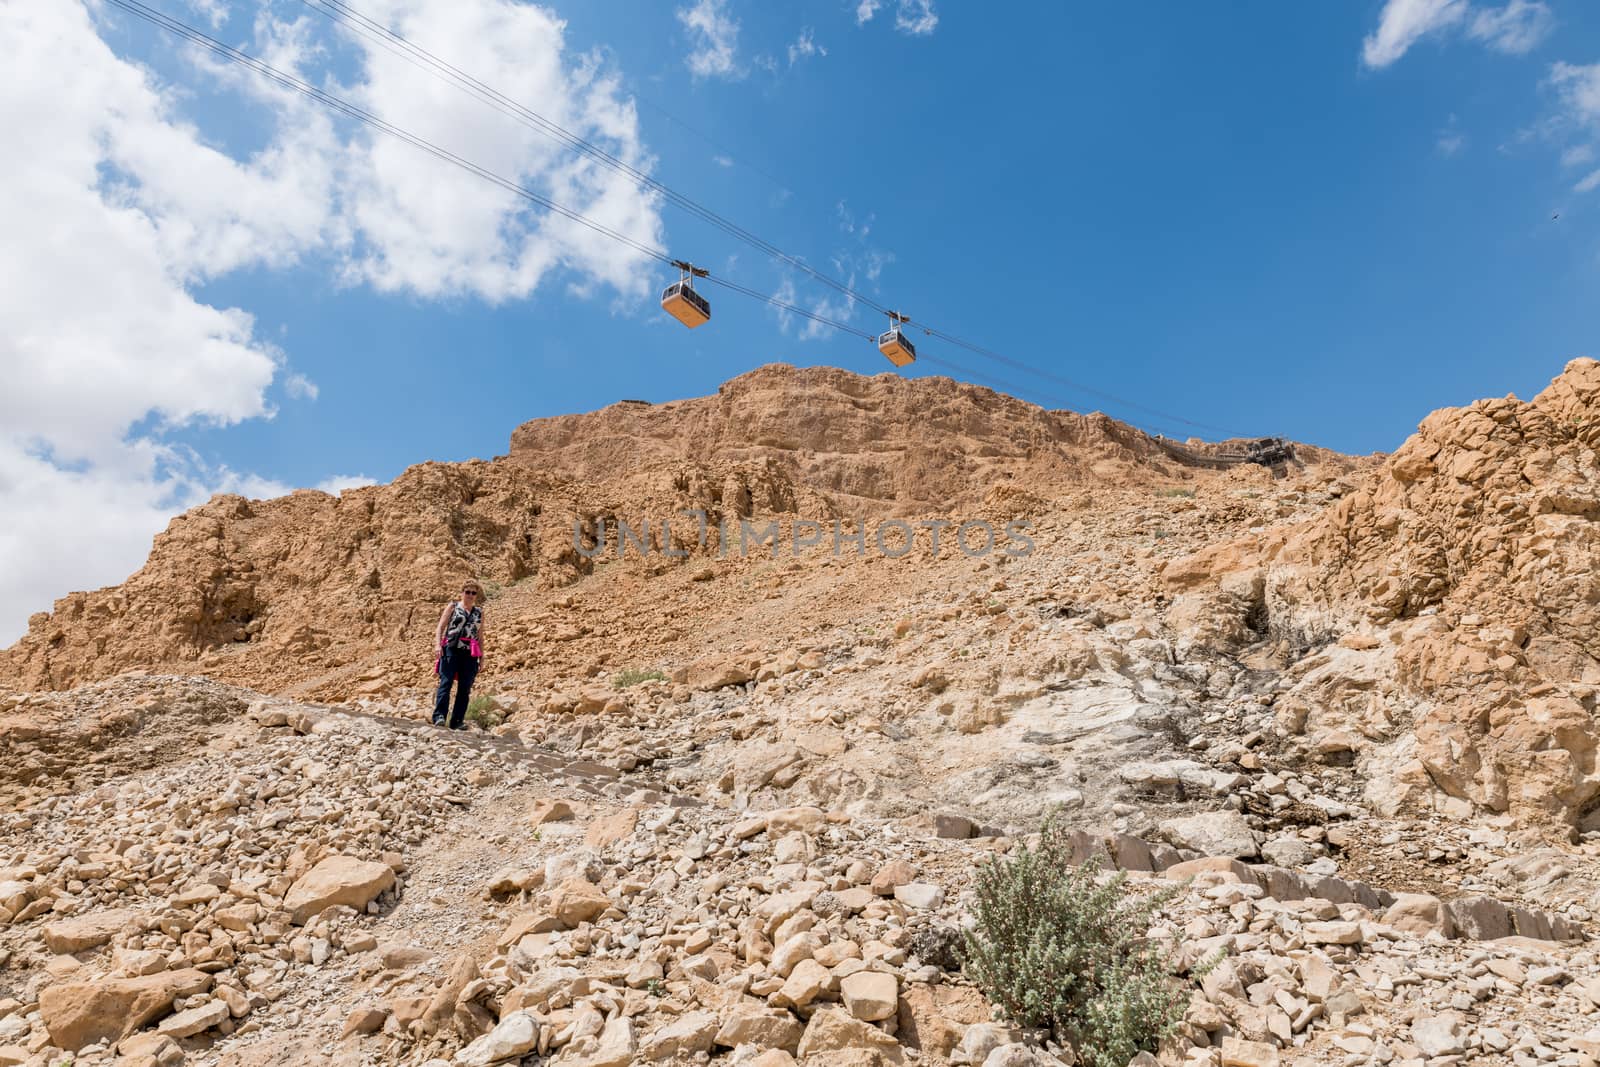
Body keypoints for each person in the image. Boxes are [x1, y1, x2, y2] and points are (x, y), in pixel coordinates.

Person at [432, 579, 487, 729]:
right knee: (446, 682)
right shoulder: (453, 606)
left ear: (476, 595)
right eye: (467, 592)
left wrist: (482, 658)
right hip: (451, 648)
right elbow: (440, 627)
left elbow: (480, 636)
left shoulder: (479, 612)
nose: (470, 595)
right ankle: (439, 716)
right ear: (462, 592)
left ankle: (457, 721)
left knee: (465, 687)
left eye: (473, 593)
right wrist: (437, 645)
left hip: (469, 653)